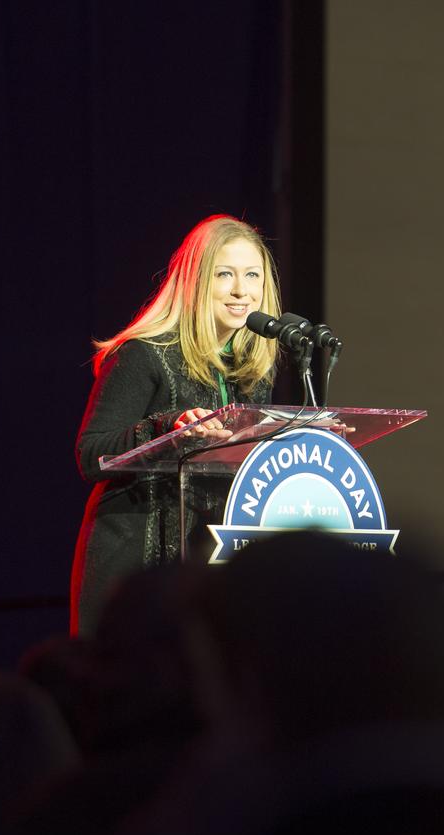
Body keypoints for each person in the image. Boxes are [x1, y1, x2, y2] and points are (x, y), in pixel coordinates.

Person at [70, 215, 281, 636]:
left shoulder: (249, 371)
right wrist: (170, 429)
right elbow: (91, 455)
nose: (242, 290)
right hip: (135, 564)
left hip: (207, 569)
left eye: (252, 275)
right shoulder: (144, 354)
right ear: (196, 282)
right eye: (225, 274)